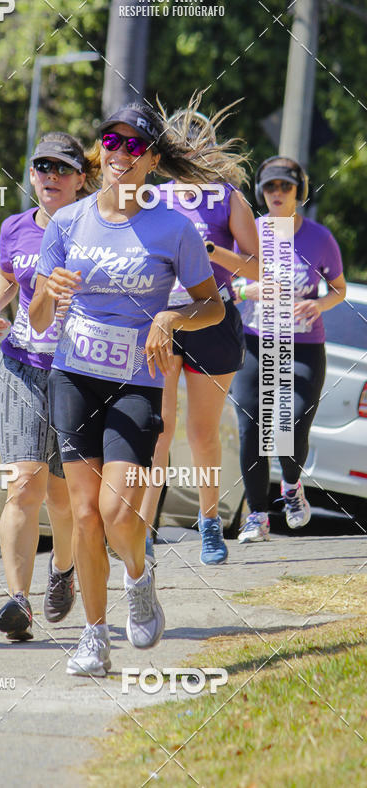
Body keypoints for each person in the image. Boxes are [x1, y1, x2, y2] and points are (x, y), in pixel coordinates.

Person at [30, 101, 228, 677]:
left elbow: (211, 306)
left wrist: (170, 319)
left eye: (133, 146)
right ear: (100, 151)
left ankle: (138, 576)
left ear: (153, 161)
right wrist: (51, 290)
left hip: (136, 383)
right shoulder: (68, 222)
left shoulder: (174, 228)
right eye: (111, 143)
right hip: (73, 375)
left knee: (118, 514)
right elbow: (40, 319)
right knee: (86, 515)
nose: (120, 154)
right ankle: (95, 637)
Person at [0, 132, 95, 641]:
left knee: (63, 495)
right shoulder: (15, 227)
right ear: (30, 175)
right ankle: (18, 601)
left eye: (62, 169)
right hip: (22, 367)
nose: (50, 176)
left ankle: (64, 570)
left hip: (76, 371)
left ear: (80, 180)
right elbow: (8, 276)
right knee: (24, 484)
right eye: (42, 167)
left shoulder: (97, 231)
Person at [138, 102, 258, 565]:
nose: (190, 153)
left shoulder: (228, 197)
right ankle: (144, 528)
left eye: (197, 144)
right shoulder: (155, 197)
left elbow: (259, 265)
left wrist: (212, 252)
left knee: (202, 430)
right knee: (159, 428)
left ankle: (210, 525)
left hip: (213, 319)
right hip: (165, 319)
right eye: (180, 146)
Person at [229, 156, 346, 541]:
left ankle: (292, 487)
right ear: (261, 193)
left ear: (299, 192)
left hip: (304, 345)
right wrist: (252, 289)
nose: (277, 193)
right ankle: (257, 515)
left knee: (291, 424)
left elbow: (339, 288)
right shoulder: (250, 234)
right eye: (270, 187)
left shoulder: (319, 238)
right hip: (255, 341)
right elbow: (226, 286)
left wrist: (320, 303)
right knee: (251, 428)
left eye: (286, 187)